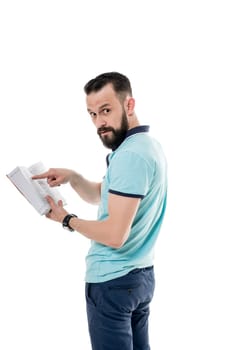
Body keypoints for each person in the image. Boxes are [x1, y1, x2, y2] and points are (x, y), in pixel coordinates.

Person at [32, 72, 167, 350]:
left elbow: (115, 234)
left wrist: (66, 219)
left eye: (106, 110)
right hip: (139, 277)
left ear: (129, 105)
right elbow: (103, 196)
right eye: (92, 114)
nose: (99, 122)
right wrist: (73, 177)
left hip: (113, 282)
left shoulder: (130, 155)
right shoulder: (145, 146)